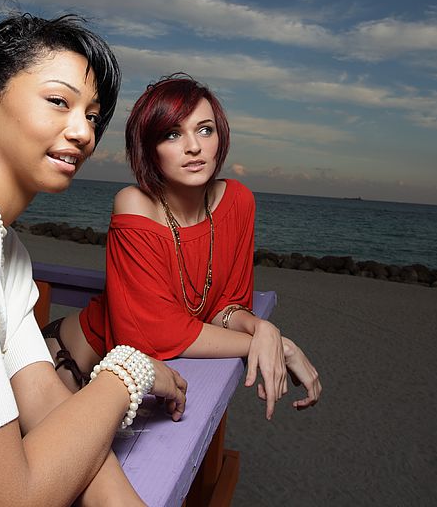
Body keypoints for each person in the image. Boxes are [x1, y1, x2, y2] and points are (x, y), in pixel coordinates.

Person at [0, 13, 187, 507]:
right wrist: (128, 372)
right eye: (58, 101)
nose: (83, 132)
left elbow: (44, 400)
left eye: (91, 115)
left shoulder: (5, 249)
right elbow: (3, 498)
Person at [44, 74, 322, 420]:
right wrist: (274, 347)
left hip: (127, 389)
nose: (194, 146)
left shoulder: (237, 201)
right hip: (64, 366)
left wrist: (260, 327)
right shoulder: (134, 204)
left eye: (205, 130)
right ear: (149, 147)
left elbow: (225, 306)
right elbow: (151, 335)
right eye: (172, 134)